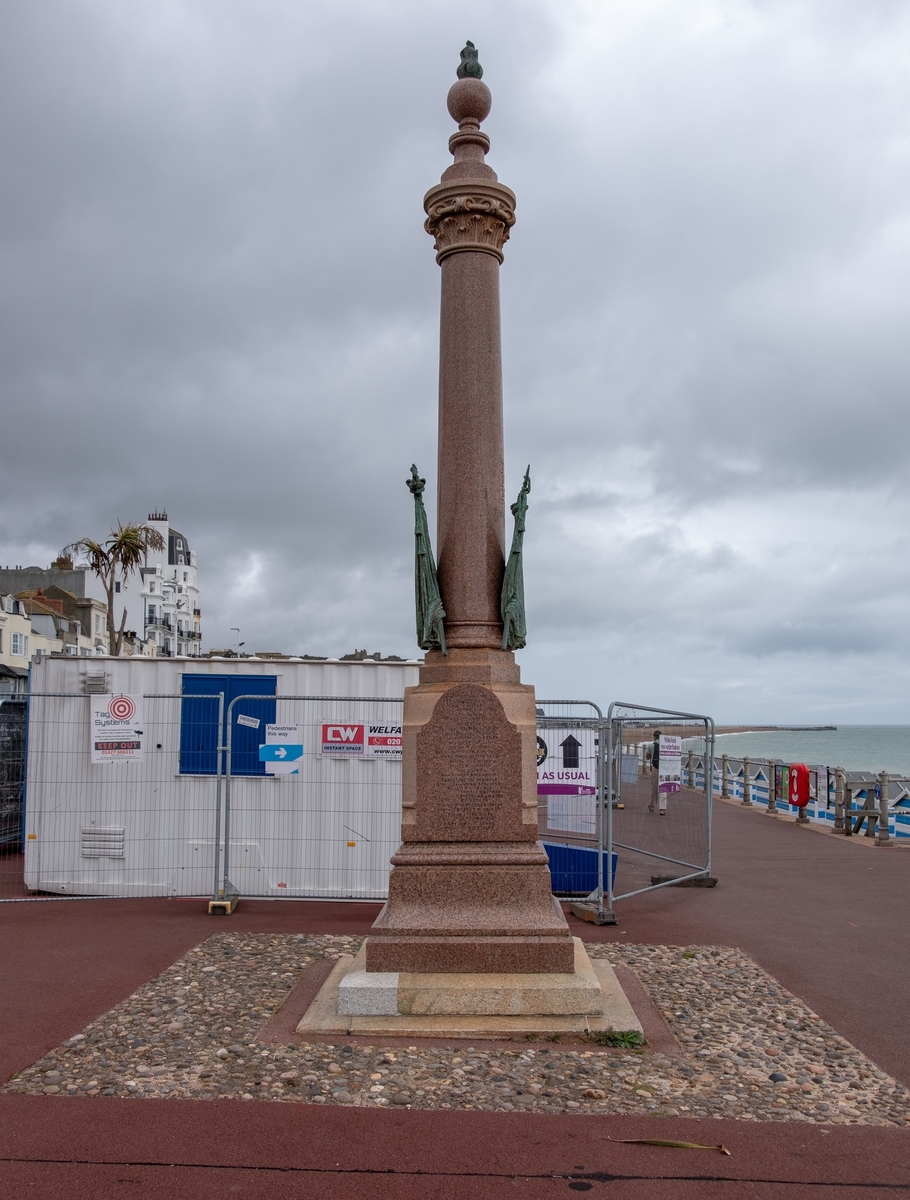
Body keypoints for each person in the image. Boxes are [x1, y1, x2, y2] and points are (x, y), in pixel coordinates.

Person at [649, 730, 666, 814]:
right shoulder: (665, 746)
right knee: (663, 787)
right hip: (664, 768)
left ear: (654, 736)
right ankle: (662, 809)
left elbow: (648, 757)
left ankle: (652, 805)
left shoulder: (651, 745)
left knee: (654, 786)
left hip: (655, 767)